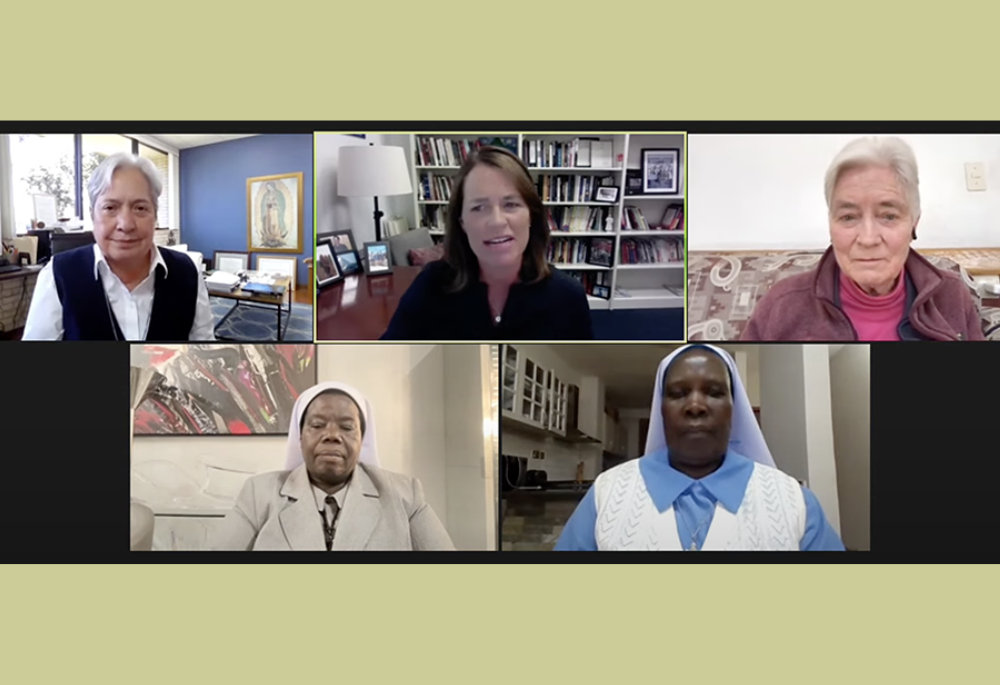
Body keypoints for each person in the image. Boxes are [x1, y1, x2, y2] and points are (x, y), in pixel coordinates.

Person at [555, 345, 844, 551]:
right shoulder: (607, 494)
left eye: (715, 393)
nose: (695, 406)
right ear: (661, 410)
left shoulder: (794, 502)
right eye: (678, 394)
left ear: (735, 409)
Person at [742, 136, 983, 341]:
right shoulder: (781, 306)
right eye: (848, 217)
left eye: (888, 216)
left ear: (914, 222)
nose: (868, 239)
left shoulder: (951, 295)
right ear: (830, 224)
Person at [380, 146, 594, 340]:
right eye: (479, 208)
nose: (497, 221)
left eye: (510, 204)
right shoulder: (430, 285)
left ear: (532, 216)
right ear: (461, 222)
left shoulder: (568, 298)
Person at [213, 382, 455, 551]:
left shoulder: (405, 495)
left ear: (363, 439)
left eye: (347, 427)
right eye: (317, 425)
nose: (332, 435)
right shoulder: (259, 493)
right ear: (300, 437)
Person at [22, 153, 215, 341]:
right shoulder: (57, 274)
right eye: (110, 208)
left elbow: (205, 355)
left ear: (155, 216)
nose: (126, 224)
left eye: (140, 208)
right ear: (92, 215)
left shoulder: (188, 272)